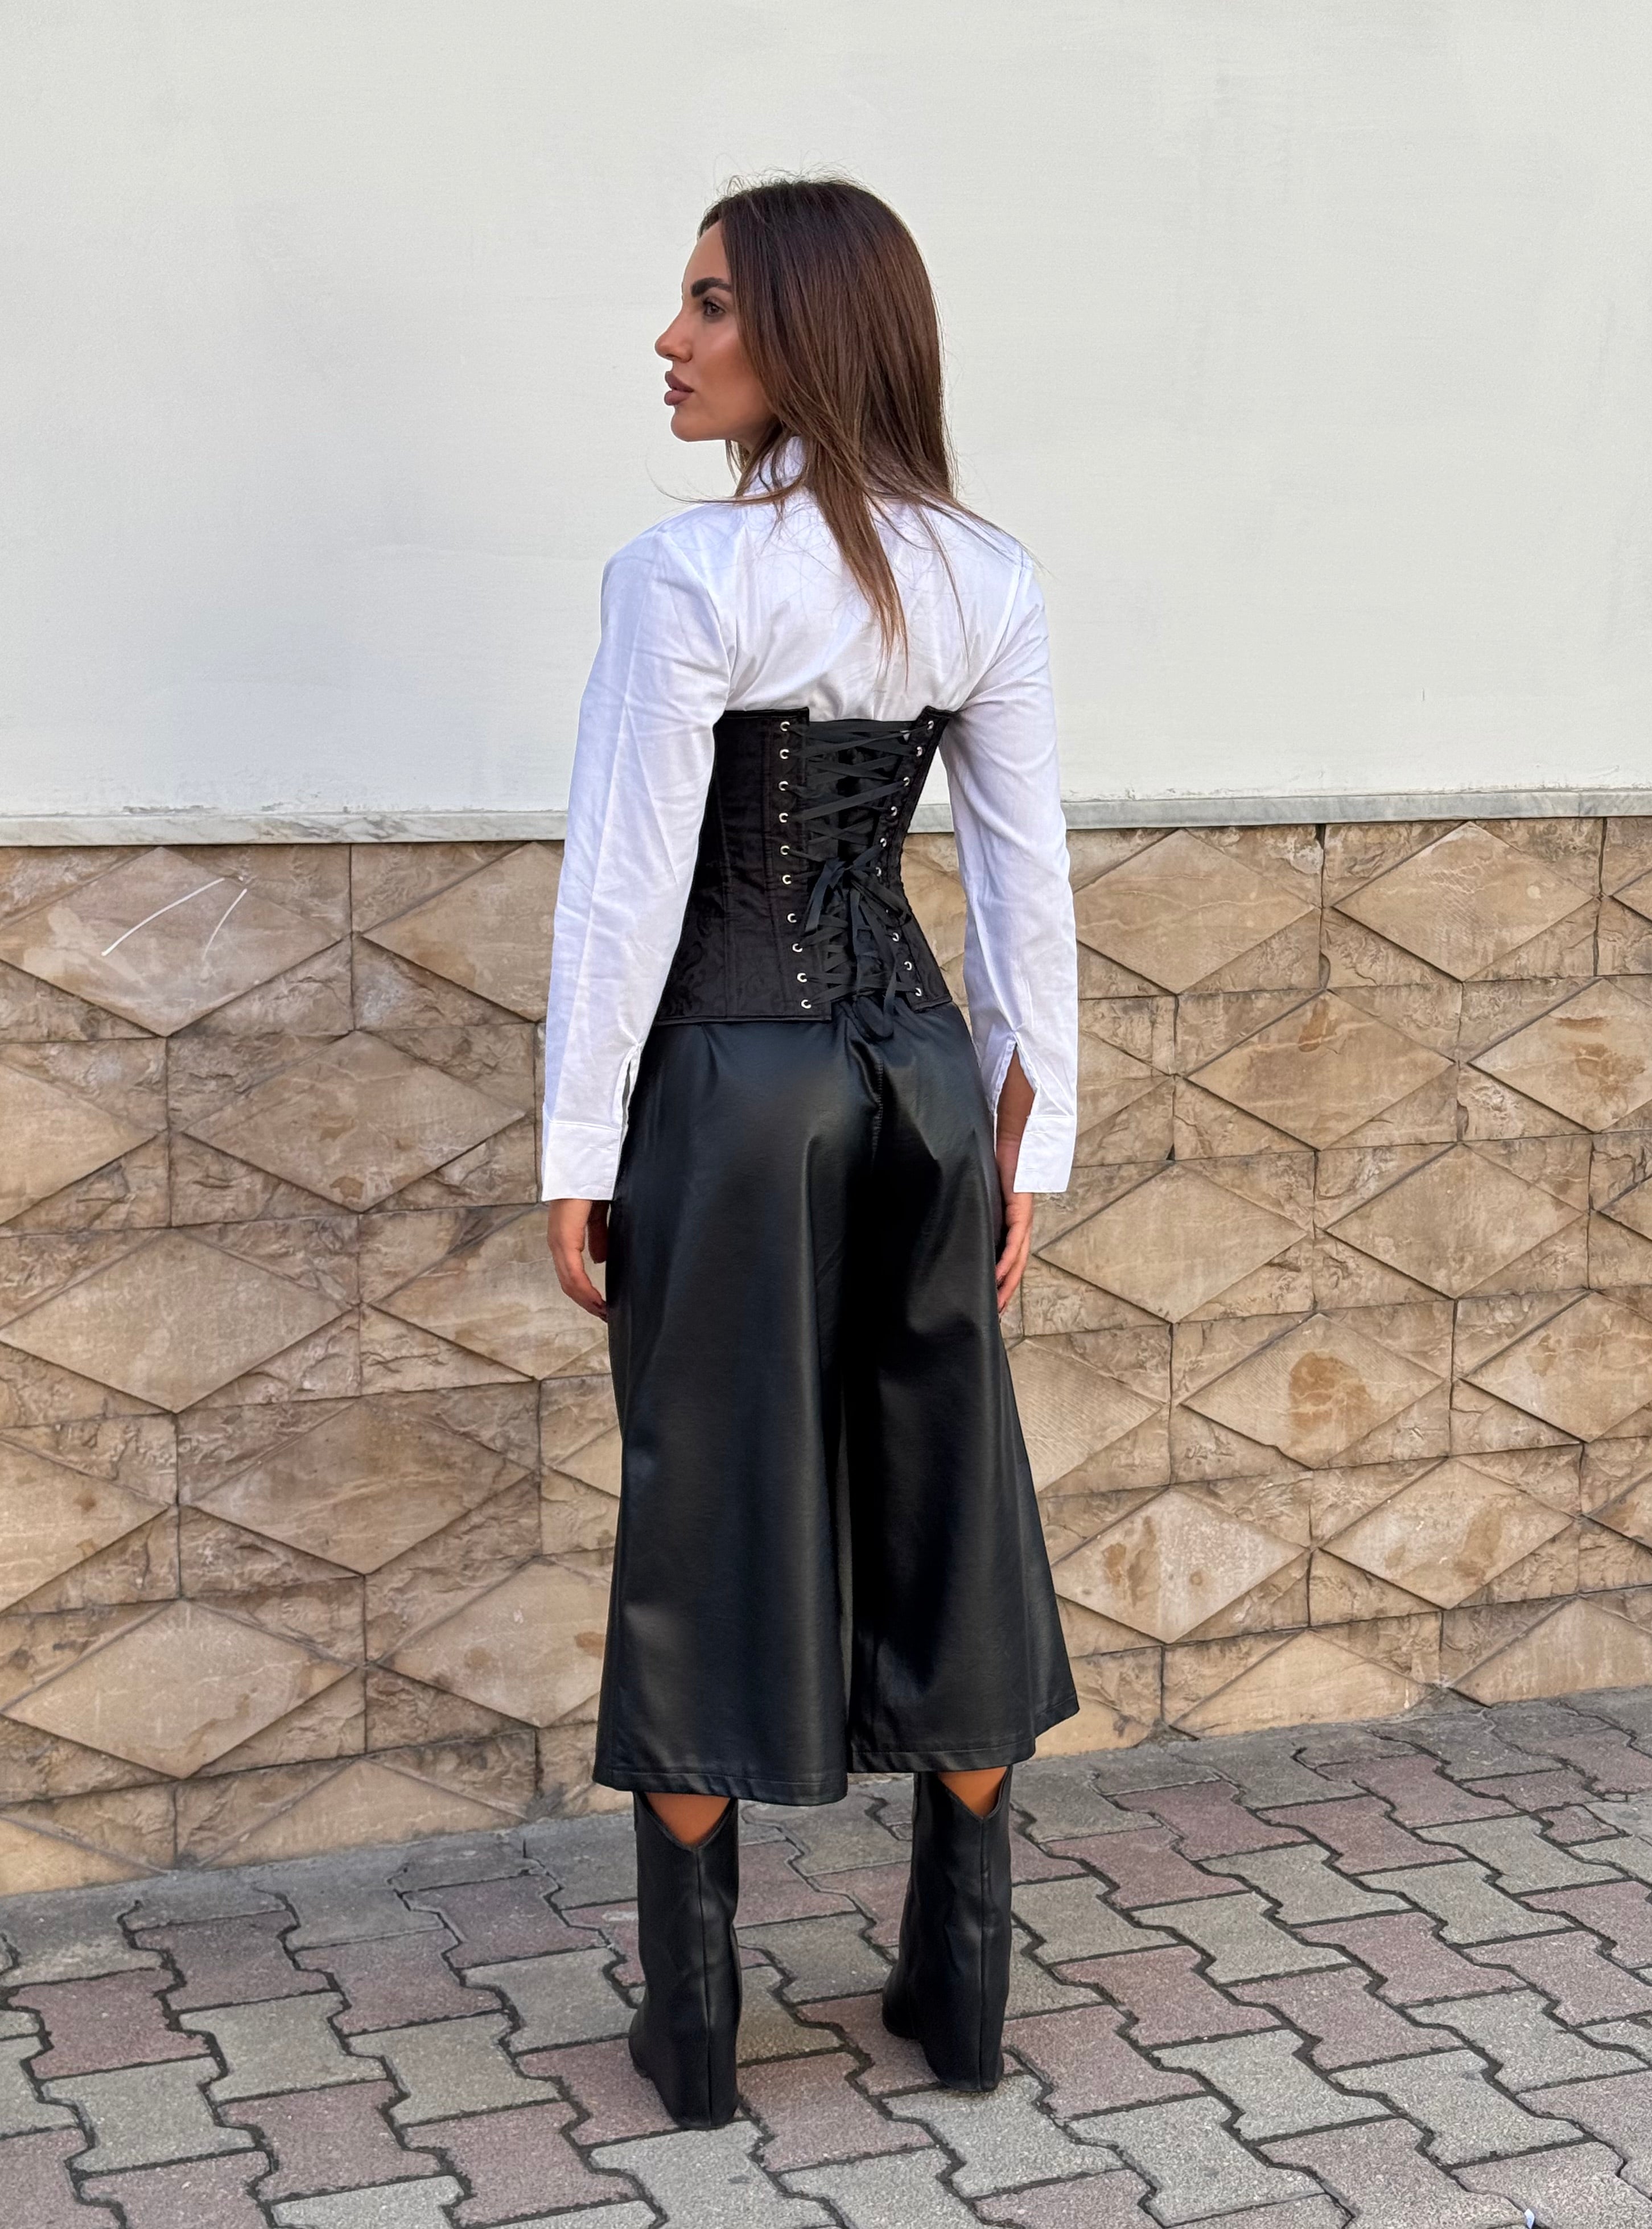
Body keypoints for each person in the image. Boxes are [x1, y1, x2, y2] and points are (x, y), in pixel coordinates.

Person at [542, 176, 1079, 2128]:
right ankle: (961, 1996)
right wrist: (1031, 1136)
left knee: (709, 1497)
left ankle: (694, 2031)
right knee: (950, 1482)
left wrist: (575, 1142)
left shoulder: (683, 574)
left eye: (709, 303)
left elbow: (623, 887)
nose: (670, 340)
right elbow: (1022, 885)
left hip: (735, 1084)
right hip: (922, 1078)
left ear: (809, 331)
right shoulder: (984, 577)